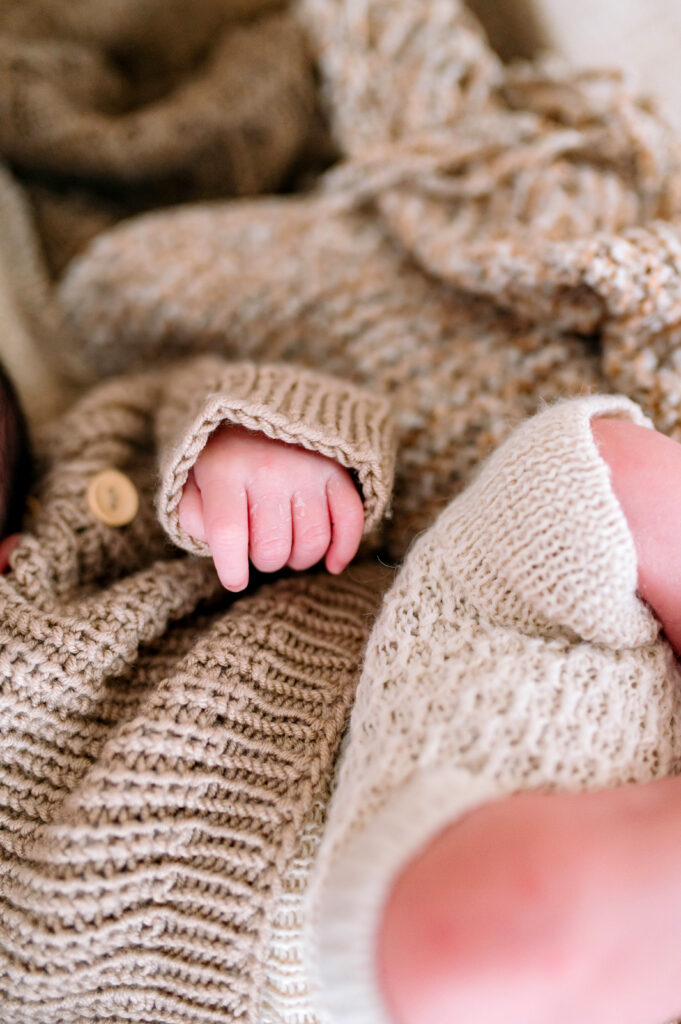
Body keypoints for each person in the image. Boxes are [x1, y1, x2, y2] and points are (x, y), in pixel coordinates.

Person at [2, 341, 681, 1024]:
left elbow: (207, 398)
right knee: (477, 943)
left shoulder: (79, 467)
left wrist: (255, 444)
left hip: (427, 650)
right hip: (314, 905)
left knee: (586, 469)